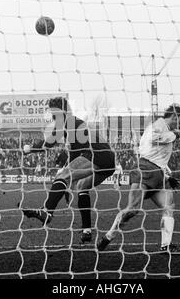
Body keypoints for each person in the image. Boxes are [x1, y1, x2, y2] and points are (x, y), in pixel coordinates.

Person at [19, 97, 116, 243]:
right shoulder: (74, 124)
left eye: (52, 110)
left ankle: (47, 212)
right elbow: (75, 155)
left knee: (63, 176)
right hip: (108, 160)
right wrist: (65, 182)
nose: (50, 114)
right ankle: (87, 230)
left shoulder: (66, 122)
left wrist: (30, 149)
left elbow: (49, 143)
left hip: (96, 155)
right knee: (81, 186)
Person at [97, 104, 180, 253]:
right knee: (132, 210)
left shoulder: (165, 128)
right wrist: (174, 135)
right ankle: (108, 236)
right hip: (145, 172)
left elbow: (158, 157)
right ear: (174, 117)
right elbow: (155, 139)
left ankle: (165, 245)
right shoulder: (159, 125)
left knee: (169, 206)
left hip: (159, 175)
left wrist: (168, 176)